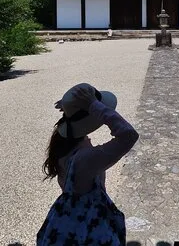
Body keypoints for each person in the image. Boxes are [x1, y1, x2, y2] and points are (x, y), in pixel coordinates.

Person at [37, 83, 139, 246]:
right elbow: (128, 135)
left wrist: (72, 109)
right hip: (92, 227)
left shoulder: (63, 145)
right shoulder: (85, 159)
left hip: (67, 219)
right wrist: (94, 106)